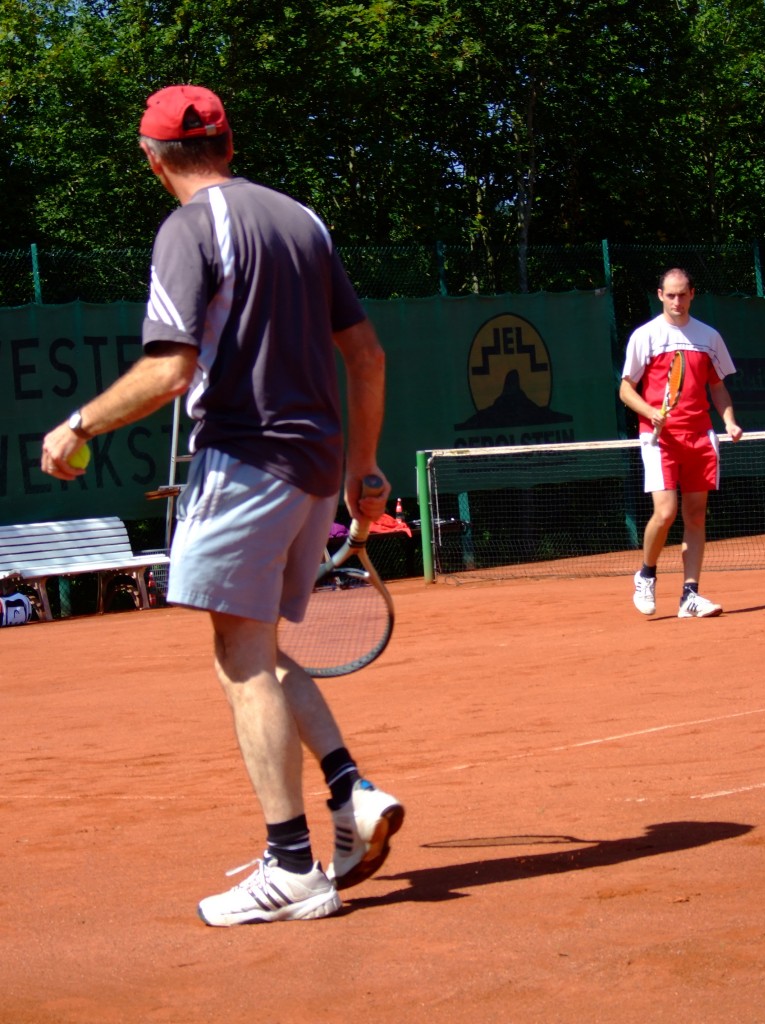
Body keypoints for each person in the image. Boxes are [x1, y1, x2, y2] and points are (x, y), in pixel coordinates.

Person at [40, 84, 404, 926]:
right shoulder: (303, 221)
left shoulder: (186, 230)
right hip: (314, 467)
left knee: (238, 656)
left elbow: (169, 371)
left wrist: (76, 424)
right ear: (230, 143)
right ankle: (351, 793)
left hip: (243, 459)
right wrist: (364, 467)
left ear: (150, 156)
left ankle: (291, 868)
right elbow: (370, 355)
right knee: (263, 648)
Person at [619, 267, 742, 619]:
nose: (676, 301)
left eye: (682, 294)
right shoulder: (646, 336)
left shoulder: (708, 337)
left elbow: (717, 386)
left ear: (692, 294)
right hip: (659, 438)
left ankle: (690, 594)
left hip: (700, 436)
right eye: (670, 295)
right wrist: (649, 411)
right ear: (660, 295)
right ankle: (646, 573)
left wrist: (729, 421)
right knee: (666, 511)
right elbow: (626, 389)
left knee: (695, 516)